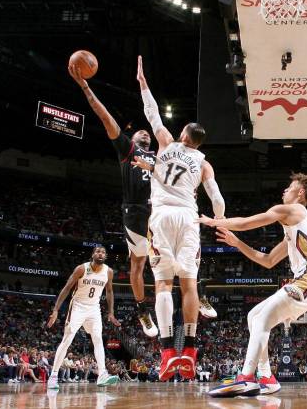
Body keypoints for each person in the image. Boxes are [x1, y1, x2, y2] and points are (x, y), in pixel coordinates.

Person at [131, 55, 225, 382]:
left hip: (161, 216)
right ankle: (191, 352)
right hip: (189, 218)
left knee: (162, 283)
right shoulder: (204, 162)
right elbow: (216, 199)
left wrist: (143, 83)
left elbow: (152, 112)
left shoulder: (166, 142)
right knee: (189, 285)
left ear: (183, 133)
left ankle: (168, 351)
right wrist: (218, 221)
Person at [199, 173, 307, 397]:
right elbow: (268, 261)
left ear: (300, 193)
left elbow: (248, 222)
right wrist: (236, 242)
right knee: (254, 316)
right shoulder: (293, 229)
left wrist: (214, 221)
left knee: (262, 319)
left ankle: (246, 378)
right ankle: (266, 378)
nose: (285, 191)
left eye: (290, 187)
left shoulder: (295, 210)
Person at [68, 62, 158, 337]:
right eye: (139, 131)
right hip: (134, 212)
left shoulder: (161, 158)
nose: (144, 132)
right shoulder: (127, 150)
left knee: (175, 260)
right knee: (138, 264)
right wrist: (85, 87)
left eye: (147, 132)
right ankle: (143, 309)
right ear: (132, 138)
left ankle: (196, 292)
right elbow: (106, 117)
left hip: (158, 212)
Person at [46, 246, 121, 389]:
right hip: (78, 306)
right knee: (67, 339)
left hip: (94, 308)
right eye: (98, 251)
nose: (101, 254)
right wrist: (56, 309)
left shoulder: (108, 271)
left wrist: (111, 312)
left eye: (103, 252)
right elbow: (67, 288)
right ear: (93, 255)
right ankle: (53, 376)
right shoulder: (81, 268)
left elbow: (110, 291)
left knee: (98, 338)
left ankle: (102, 374)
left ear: (105, 256)